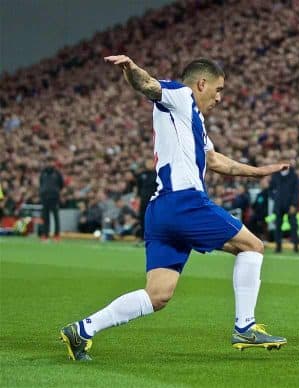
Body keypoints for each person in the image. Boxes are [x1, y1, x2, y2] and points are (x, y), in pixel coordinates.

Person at [60, 55, 287, 361]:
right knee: (253, 247)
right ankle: (245, 326)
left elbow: (216, 160)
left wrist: (258, 172)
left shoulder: (193, 119)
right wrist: (131, 68)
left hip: (160, 210)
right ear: (201, 83)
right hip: (185, 202)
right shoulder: (180, 96)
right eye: (218, 90)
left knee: (157, 295)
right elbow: (149, 85)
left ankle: (83, 329)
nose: (219, 98)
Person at [269, 166, 299, 252]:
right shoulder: (275, 175)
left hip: (290, 204)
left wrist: (294, 204)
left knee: (294, 226)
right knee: (278, 226)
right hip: (279, 205)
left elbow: (296, 191)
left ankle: (296, 246)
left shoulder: (294, 175)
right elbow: (270, 189)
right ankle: (278, 247)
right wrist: (275, 197)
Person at [39, 157, 64, 241]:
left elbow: (61, 184)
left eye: (51, 162)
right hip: (45, 197)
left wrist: (56, 192)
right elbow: (41, 183)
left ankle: (56, 235)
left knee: (55, 217)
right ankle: (45, 235)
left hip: (54, 198)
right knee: (45, 217)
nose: (49, 163)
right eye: (48, 161)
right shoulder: (43, 173)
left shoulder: (57, 173)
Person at [136, 158, 157, 242]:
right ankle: (142, 237)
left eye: (151, 162)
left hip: (153, 201)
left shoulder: (157, 175)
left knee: (153, 219)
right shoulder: (142, 175)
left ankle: (153, 237)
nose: (149, 164)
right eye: (147, 162)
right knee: (142, 218)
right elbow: (139, 188)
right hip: (143, 201)